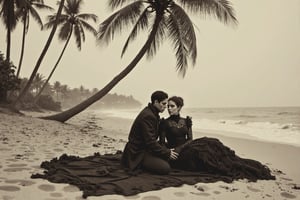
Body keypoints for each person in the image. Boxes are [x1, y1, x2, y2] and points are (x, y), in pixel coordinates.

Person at [159, 96, 275, 180]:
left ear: (179, 107)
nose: (169, 108)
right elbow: (163, 142)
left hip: (186, 146)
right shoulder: (164, 123)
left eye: (172, 106)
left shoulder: (186, 121)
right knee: (200, 154)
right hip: (175, 152)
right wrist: (170, 152)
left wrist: (181, 148)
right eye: (168, 106)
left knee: (212, 143)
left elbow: (190, 139)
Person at [121, 90, 178, 175]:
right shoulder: (148, 116)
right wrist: (166, 152)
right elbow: (150, 142)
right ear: (155, 102)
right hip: (137, 152)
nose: (165, 107)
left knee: (169, 157)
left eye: (166, 104)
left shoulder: (151, 113)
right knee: (165, 168)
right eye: (163, 104)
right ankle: (141, 164)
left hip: (144, 148)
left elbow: (152, 138)